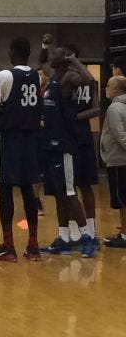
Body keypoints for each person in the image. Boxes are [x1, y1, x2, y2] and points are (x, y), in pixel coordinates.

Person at [0, 37, 43, 262]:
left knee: (5, 189)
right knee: (28, 191)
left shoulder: (5, 75)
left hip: (9, 138)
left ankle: (8, 245)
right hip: (30, 139)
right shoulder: (36, 76)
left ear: (13, 51)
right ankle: (33, 245)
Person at [37, 35, 95, 257]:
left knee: (70, 193)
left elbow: (89, 80)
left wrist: (74, 60)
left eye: (56, 53)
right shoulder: (54, 76)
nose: (52, 56)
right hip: (50, 143)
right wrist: (44, 46)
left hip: (64, 144)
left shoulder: (69, 76)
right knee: (58, 195)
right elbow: (42, 62)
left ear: (64, 59)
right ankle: (63, 238)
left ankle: (86, 238)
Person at [59, 42, 100, 249]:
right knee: (70, 186)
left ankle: (91, 231)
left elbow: (97, 109)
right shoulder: (64, 78)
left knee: (85, 184)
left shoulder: (87, 81)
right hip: (68, 135)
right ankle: (75, 232)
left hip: (81, 135)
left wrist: (77, 117)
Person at [99, 75, 126, 248]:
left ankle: (124, 235)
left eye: (108, 85)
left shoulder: (114, 108)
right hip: (120, 160)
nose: (105, 88)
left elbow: (119, 135)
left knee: (122, 199)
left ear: (116, 89)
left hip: (118, 160)